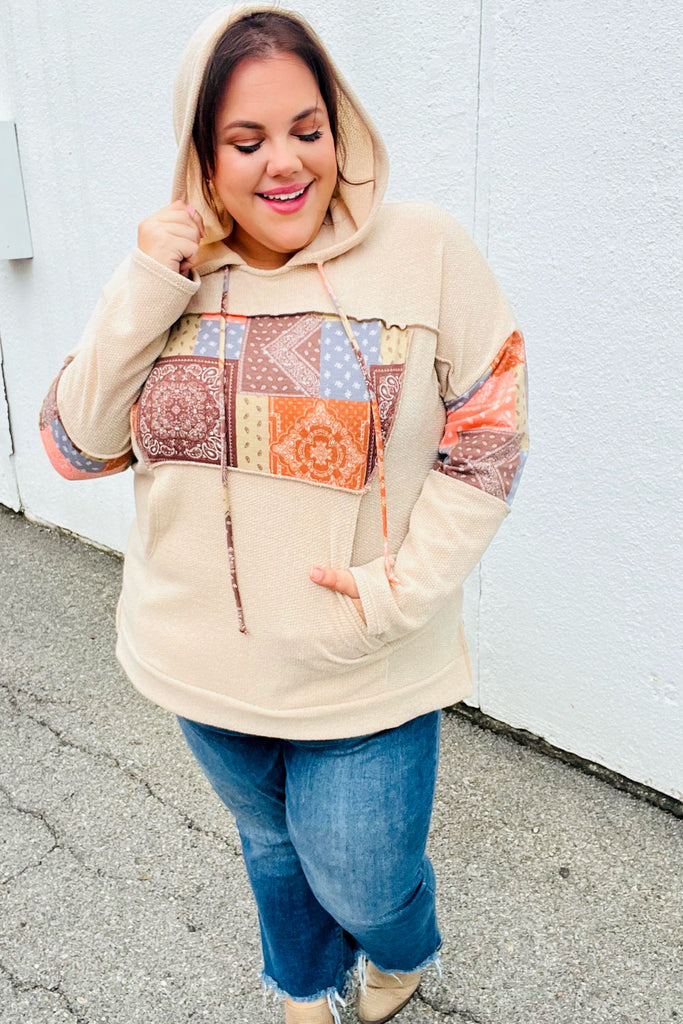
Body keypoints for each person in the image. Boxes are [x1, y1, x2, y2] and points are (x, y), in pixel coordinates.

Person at [39, 5, 528, 1022]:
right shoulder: (172, 276)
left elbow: (488, 431)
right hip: (198, 662)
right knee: (270, 846)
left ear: (338, 126)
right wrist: (147, 280)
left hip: (362, 664)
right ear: (202, 156)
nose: (285, 163)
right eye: (246, 140)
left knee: (365, 882)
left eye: (307, 129)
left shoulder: (424, 248)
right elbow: (74, 445)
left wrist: (401, 593)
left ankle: (402, 946)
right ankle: (303, 980)